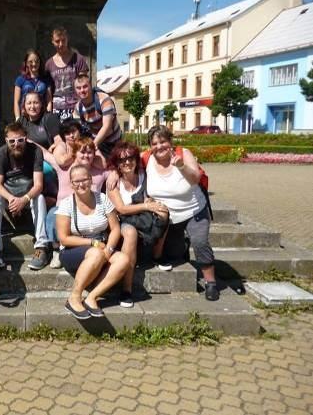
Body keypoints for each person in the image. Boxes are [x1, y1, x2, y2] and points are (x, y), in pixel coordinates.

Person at [144, 125, 219, 301]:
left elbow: (195, 178)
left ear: (170, 141)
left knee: (200, 242)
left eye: (163, 141)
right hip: (167, 216)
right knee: (173, 254)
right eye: (154, 143)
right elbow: (128, 166)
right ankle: (181, 246)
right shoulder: (146, 158)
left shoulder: (183, 154)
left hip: (193, 210)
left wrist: (181, 166)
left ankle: (211, 283)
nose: (159, 146)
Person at [56, 164, 131, 319]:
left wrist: (109, 249)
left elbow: (115, 228)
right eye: (76, 181)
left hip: (102, 246)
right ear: (71, 184)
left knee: (123, 259)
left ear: (91, 180)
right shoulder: (66, 204)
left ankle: (91, 298)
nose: (81, 184)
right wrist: (92, 243)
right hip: (73, 250)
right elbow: (63, 238)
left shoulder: (102, 199)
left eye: (84, 179)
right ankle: (74, 298)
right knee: (96, 254)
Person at [107, 141, 170, 307]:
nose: (127, 162)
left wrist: (150, 201)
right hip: (122, 220)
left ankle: (158, 255)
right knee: (130, 233)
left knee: (164, 211)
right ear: (117, 164)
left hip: (142, 216)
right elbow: (121, 209)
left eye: (130, 158)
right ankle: (126, 289)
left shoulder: (144, 175)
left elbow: (154, 153)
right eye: (122, 160)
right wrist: (146, 205)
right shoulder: (114, 182)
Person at [0, 122, 51, 270]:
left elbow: (38, 185)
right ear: (6, 140)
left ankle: (42, 246)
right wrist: (12, 199)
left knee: (40, 198)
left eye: (20, 140)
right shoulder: (1, 153)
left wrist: (24, 199)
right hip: (8, 195)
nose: (16, 144)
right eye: (12, 141)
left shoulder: (35, 151)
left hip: (28, 193)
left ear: (26, 138)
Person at [42, 135, 108, 268]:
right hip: (65, 216)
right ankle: (56, 249)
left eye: (90, 152)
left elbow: (115, 169)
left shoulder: (100, 172)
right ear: (75, 153)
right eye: (82, 152)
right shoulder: (65, 168)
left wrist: (116, 175)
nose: (86, 155)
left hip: (88, 216)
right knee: (53, 213)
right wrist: (28, 140)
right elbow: (45, 154)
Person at [45, 26, 89, 122]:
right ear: (52, 41)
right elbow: (48, 90)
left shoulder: (78, 59)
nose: (61, 44)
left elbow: (84, 85)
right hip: (57, 109)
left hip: (76, 107)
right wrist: (49, 110)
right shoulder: (49, 64)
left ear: (67, 39)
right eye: (57, 41)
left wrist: (84, 106)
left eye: (63, 40)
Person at [73, 73, 122, 158]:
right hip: (98, 144)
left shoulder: (104, 100)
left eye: (85, 86)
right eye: (78, 88)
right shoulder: (78, 108)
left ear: (91, 86)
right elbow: (78, 131)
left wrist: (92, 146)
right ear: (75, 90)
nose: (82, 90)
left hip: (115, 142)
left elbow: (107, 126)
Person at [13, 49, 53, 120]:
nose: (34, 64)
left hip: (42, 117)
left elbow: (49, 100)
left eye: (36, 61)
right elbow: (16, 101)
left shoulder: (46, 79)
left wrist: (48, 117)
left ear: (40, 62)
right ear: (26, 63)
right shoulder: (20, 79)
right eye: (30, 62)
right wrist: (17, 118)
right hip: (25, 117)